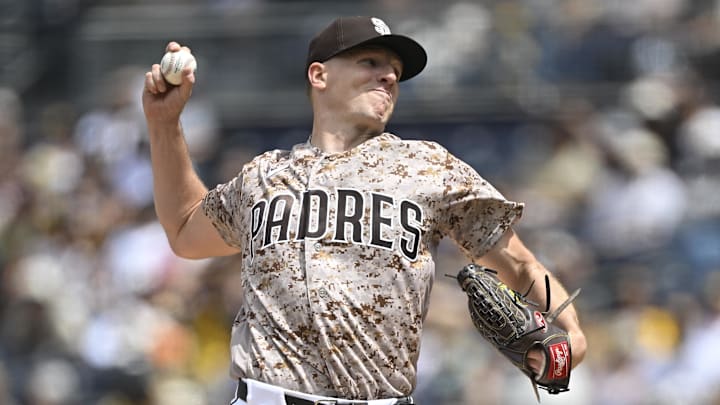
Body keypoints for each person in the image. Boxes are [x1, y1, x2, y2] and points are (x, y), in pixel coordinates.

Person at [142, 16, 587, 405]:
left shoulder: (429, 167)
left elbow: (521, 266)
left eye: (394, 70)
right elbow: (184, 229)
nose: (389, 76)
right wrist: (164, 125)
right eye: (369, 63)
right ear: (319, 75)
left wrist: (572, 338)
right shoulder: (263, 176)